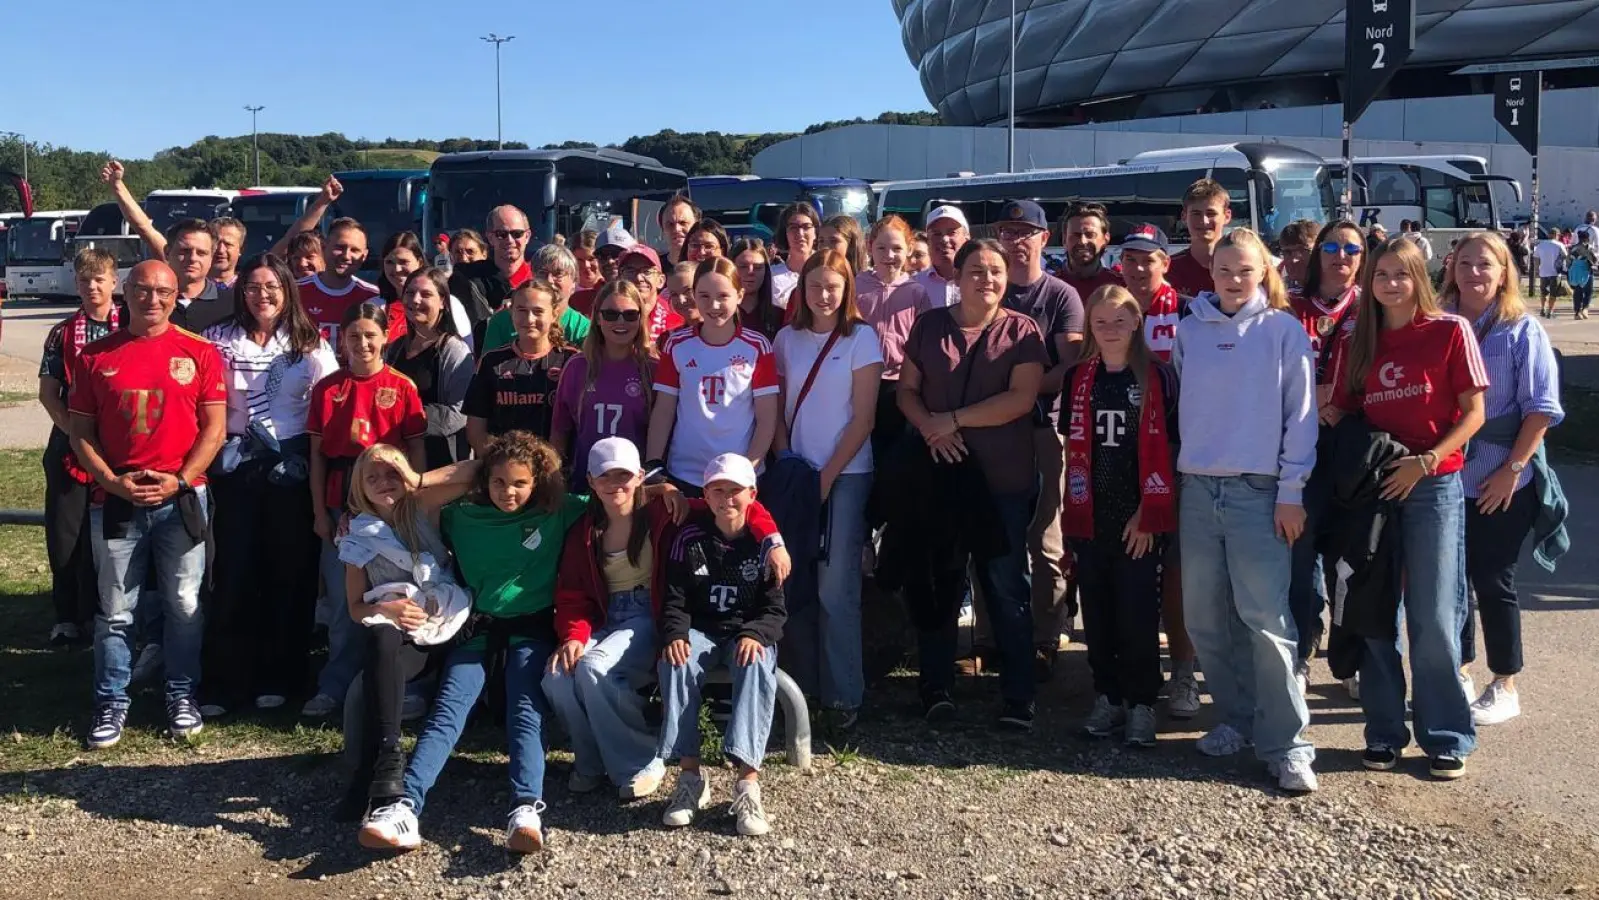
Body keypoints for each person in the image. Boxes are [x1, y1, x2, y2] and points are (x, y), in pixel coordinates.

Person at [357, 433, 583, 854]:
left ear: (538, 482)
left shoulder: (558, 510)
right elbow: (422, 497)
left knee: (525, 709)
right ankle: (405, 807)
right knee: (448, 709)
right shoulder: (460, 515)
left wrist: (664, 492)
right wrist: (424, 478)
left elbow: (617, 499)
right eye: (498, 482)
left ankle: (526, 808)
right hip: (476, 627)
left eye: (520, 483)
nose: (508, 492)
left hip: (532, 630)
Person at [545, 438, 784, 799]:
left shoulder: (665, 511)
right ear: (591, 481)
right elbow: (573, 594)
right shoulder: (584, 529)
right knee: (557, 677)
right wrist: (573, 636)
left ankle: (641, 760)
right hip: (603, 618)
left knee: (594, 669)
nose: (615, 484)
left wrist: (773, 541)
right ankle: (591, 761)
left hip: (647, 612)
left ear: (640, 476)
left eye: (624, 475)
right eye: (605, 476)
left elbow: (735, 507)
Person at [1328, 237, 1487, 780]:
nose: (1390, 284)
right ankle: (1383, 732)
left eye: (1401, 274)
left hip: (1432, 485)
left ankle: (1445, 734)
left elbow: (1474, 413)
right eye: (1381, 275)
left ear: (1419, 277)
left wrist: (1427, 460)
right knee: (1375, 615)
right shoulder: (1358, 340)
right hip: (1375, 491)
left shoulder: (1449, 330)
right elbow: (1342, 407)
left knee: (1434, 615)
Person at [1172, 227, 1317, 792]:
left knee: (1265, 619)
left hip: (1259, 490)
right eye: (1225, 270)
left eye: (1246, 270)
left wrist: (1291, 490)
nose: (1234, 279)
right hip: (1197, 488)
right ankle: (1235, 718)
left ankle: (1287, 744)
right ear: (1211, 273)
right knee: (1204, 616)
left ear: (1264, 273)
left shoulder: (1282, 331)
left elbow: (1300, 415)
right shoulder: (1190, 330)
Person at [69, 260, 227, 749]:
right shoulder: (95, 356)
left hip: (182, 498)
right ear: (126, 291)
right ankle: (111, 701)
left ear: (176, 295)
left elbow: (214, 429)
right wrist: (111, 482)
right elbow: (80, 433)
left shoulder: (200, 352)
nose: (152, 299)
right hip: (116, 499)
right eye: (142, 289)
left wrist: (180, 480)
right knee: (116, 609)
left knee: (184, 604)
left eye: (163, 291)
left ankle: (181, 693)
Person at [897, 238, 1048, 729]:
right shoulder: (929, 326)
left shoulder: (1022, 330)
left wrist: (954, 420)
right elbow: (907, 391)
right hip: (939, 478)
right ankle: (936, 686)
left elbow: (1021, 399)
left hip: (1002, 482)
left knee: (1005, 585)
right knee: (941, 582)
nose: (987, 279)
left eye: (996, 271)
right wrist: (930, 428)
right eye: (976, 270)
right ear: (957, 278)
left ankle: (1019, 695)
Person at [200, 254, 337, 716]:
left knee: (289, 573)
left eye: (272, 287)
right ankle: (225, 680)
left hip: (290, 468)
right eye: (254, 287)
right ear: (241, 291)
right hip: (234, 465)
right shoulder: (217, 338)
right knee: (234, 571)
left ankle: (282, 675)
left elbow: (327, 407)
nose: (263, 296)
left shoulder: (309, 344)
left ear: (287, 291)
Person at [1441, 232, 1563, 726]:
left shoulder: (1520, 330)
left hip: (1501, 473)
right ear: (1451, 270)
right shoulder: (1440, 323)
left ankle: (1505, 681)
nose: (1474, 273)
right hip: (1447, 474)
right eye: (1465, 263)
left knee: (1493, 579)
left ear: (1504, 272)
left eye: (1485, 264)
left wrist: (1512, 470)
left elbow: (1541, 409)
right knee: (1450, 581)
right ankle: (1459, 670)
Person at [1063, 286, 1179, 747]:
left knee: (1137, 614)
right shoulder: (1078, 378)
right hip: (1092, 513)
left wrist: (1147, 513)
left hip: (1139, 518)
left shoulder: (1158, 376)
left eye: (1119, 321)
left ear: (1136, 323)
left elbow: (1171, 448)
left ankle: (1142, 702)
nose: (1110, 330)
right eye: (1100, 322)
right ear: (1090, 327)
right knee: (1098, 613)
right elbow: (1072, 447)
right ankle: (1107, 696)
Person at [773, 250, 883, 727]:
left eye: (832, 286)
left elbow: (864, 417)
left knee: (835, 587)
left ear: (847, 290)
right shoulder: (786, 339)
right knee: (794, 581)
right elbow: (776, 408)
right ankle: (801, 690)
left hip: (846, 473)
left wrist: (826, 476)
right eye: (814, 285)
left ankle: (842, 695)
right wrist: (789, 463)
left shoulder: (862, 338)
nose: (823, 295)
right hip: (798, 476)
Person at [303, 302, 427, 718]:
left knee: (398, 592)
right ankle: (337, 684)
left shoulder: (402, 386)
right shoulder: (327, 389)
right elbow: (317, 456)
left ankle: (401, 683)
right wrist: (320, 512)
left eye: (370, 335)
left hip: (390, 503)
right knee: (343, 600)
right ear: (342, 340)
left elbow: (416, 451)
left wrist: (414, 504)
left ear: (385, 337)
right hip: (342, 501)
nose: (362, 343)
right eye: (353, 336)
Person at [333, 444, 468, 822]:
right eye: (372, 478)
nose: (384, 482)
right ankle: (386, 760)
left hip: (444, 623)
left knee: (371, 679)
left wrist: (416, 478)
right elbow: (356, 608)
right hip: (396, 636)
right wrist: (385, 609)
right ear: (359, 486)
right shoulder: (357, 535)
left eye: (391, 473)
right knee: (376, 651)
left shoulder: (422, 506)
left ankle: (371, 775)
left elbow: (475, 472)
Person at [656, 453, 787, 837]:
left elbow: (775, 610)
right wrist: (675, 634)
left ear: (752, 495)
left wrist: (756, 633)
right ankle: (690, 776)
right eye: (717, 490)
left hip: (745, 631)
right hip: (701, 629)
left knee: (756, 660)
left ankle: (747, 781)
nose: (726, 498)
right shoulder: (690, 538)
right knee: (675, 661)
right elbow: (675, 598)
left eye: (735, 490)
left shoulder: (765, 545)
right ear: (706, 494)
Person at [1109, 224, 1198, 716]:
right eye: (1131, 259)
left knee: (1179, 569)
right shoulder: (1109, 312)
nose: (1139, 268)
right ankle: (1129, 670)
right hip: (1120, 453)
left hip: (1179, 451)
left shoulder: (1190, 312)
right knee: (1130, 562)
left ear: (1166, 263)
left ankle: (1184, 672)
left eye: (1149, 259)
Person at [996, 199, 1085, 678]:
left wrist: (1018, 391)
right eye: (1008, 232)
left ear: (1043, 238)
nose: (1015, 241)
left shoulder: (1061, 296)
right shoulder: (988, 286)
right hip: (992, 428)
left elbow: (1070, 364)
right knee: (991, 534)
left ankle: (1046, 636)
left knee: (1046, 537)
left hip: (1044, 425)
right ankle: (991, 637)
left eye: (1024, 233)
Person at [1286, 220, 1365, 690]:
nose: (1341, 256)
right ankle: (1299, 653)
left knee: (1349, 559)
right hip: (1300, 445)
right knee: (1299, 558)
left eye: (1352, 249)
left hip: (1353, 444)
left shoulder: (1373, 307)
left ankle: (1349, 659)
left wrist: (1342, 402)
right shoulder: (1290, 307)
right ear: (1317, 255)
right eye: (1331, 247)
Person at [38, 248, 125, 645]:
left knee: (113, 532)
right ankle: (67, 615)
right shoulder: (61, 333)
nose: (92, 287)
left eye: (99, 279)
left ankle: (104, 611)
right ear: (75, 284)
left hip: (121, 442)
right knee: (67, 531)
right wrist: (77, 435)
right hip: (71, 439)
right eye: (84, 280)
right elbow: (48, 393)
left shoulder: (132, 325)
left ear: (114, 282)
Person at [646, 258, 780, 495]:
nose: (714, 304)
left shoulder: (758, 346)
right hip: (684, 474)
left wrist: (746, 470)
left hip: (736, 479)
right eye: (704, 296)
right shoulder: (676, 344)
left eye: (723, 296)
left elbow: (767, 419)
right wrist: (654, 463)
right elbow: (664, 410)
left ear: (739, 295)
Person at [100, 162, 229, 330]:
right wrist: (117, 185)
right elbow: (144, 228)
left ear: (212, 256)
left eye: (202, 253)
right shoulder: (145, 306)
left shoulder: (231, 306)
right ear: (167, 252)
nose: (192, 258)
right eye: (184, 251)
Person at [551, 281, 656, 478]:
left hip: (633, 484)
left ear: (641, 318)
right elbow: (560, 430)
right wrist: (555, 476)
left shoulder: (652, 369)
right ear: (598, 318)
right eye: (611, 314)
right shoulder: (577, 366)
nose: (621, 322)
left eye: (630, 315)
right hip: (585, 480)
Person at [465, 281, 575, 452]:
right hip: (503, 464)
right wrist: (499, 461)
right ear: (511, 312)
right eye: (522, 310)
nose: (529, 319)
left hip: (557, 464)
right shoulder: (492, 362)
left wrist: (551, 463)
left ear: (554, 314)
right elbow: (475, 429)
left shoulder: (571, 361)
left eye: (538, 311)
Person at [386, 268, 474, 469]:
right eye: (409, 293)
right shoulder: (395, 349)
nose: (415, 300)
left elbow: (460, 413)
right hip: (397, 461)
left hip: (439, 463)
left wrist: (405, 416)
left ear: (443, 301)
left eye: (425, 294)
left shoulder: (454, 350)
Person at [479, 244, 591, 350]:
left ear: (574, 282)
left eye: (558, 274)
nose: (549, 280)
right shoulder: (502, 321)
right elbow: (489, 362)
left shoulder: (583, 328)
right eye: (543, 273)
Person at [376, 232, 472, 348]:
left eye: (404, 262)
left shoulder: (448, 303)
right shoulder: (375, 306)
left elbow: (466, 349)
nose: (397, 269)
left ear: (420, 262)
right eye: (389, 262)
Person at [299, 217, 381, 349]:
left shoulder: (373, 297)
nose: (346, 256)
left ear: (364, 256)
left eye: (355, 250)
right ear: (324, 247)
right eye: (340, 247)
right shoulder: (295, 291)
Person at [449, 205, 535, 329]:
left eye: (517, 234)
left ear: (527, 236)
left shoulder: (540, 278)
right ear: (490, 237)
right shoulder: (467, 281)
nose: (510, 240)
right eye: (501, 234)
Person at [1165, 179, 1232, 300]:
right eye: (1196, 214)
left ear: (1227, 216)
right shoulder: (1168, 269)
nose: (1204, 221)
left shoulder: (1241, 267)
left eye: (1211, 213)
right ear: (1184, 216)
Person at [1058, 203, 1123, 298]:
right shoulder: (1047, 288)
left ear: (1106, 239)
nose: (1082, 241)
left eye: (1090, 235)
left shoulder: (1121, 286)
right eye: (1075, 235)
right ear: (1064, 239)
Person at [914, 206, 970, 309]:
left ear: (967, 238)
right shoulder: (915, 285)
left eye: (952, 232)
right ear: (928, 241)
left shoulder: (979, 281)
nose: (944, 239)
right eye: (937, 234)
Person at [730, 238, 784, 340]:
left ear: (765, 271)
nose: (751, 272)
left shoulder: (780, 317)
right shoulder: (720, 314)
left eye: (758, 267)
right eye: (743, 266)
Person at [770, 202, 820, 308]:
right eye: (793, 227)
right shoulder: (772, 276)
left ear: (815, 232)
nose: (800, 233)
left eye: (806, 227)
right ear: (785, 233)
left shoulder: (828, 271)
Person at [1276, 219, 1320, 293]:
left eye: (1301, 250)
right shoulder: (1274, 287)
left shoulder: (1333, 290)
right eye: (1287, 252)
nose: (1294, 260)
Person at [658, 195, 701, 269]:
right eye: (670, 224)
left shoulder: (709, 267)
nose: (676, 229)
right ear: (663, 230)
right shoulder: (654, 269)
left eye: (683, 223)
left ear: (697, 226)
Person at [1533, 228, 1568, 319]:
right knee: (1553, 293)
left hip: (1543, 271)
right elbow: (1565, 256)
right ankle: (1550, 311)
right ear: (1556, 235)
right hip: (1555, 272)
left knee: (1543, 292)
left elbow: (1536, 258)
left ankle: (1542, 309)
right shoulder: (1559, 245)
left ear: (1549, 234)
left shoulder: (1541, 245)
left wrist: (1537, 270)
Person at [663, 261, 701, 336]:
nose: (681, 300)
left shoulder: (724, 333)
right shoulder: (668, 338)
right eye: (674, 294)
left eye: (688, 291)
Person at [209, 217, 247, 290]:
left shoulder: (248, 289)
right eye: (216, 243)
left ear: (241, 250)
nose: (221, 250)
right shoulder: (190, 286)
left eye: (228, 244)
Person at [1568, 230, 1596, 319]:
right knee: (1588, 292)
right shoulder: (1588, 248)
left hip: (1575, 273)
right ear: (1587, 239)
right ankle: (1585, 309)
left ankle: (1577, 313)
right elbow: (1593, 260)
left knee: (1577, 292)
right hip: (1586, 272)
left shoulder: (1572, 248)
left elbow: (1568, 261)